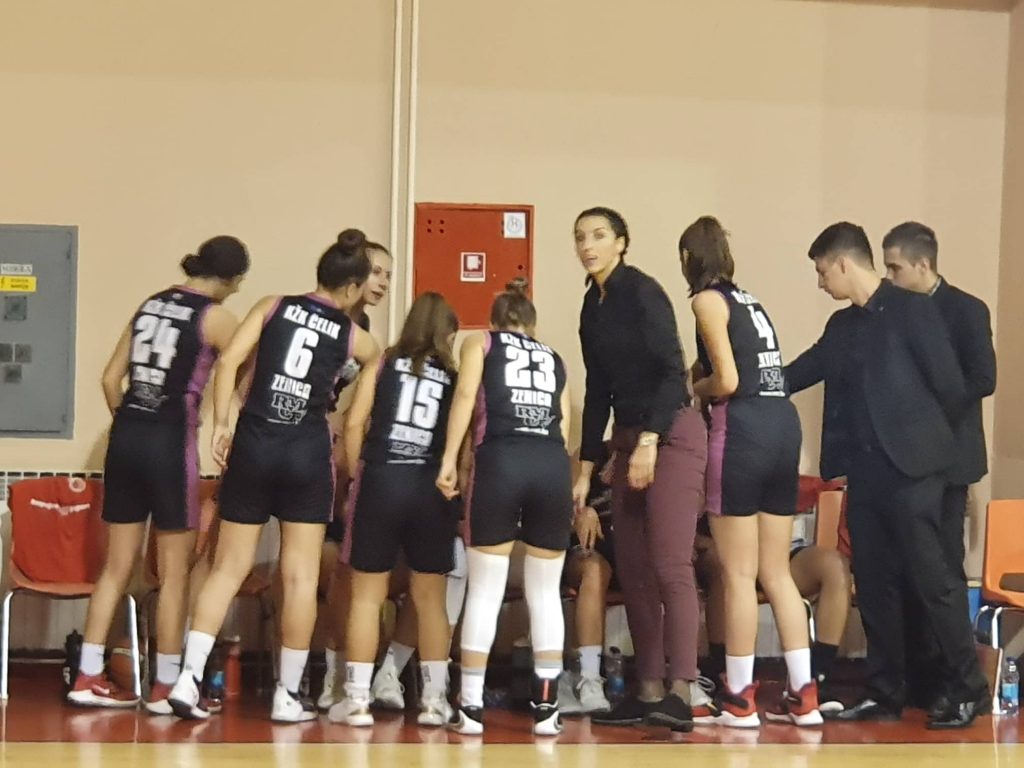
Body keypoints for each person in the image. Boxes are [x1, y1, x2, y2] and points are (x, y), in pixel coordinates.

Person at [168, 229, 380, 722]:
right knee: (301, 576)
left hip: (255, 442)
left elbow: (229, 362)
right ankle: (287, 694)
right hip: (307, 452)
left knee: (227, 568)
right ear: (352, 289)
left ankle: (187, 678)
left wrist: (222, 423)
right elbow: (374, 366)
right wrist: (347, 402)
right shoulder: (356, 337)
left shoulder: (272, 305)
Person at [786, 222, 988, 729]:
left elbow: (951, 387)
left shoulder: (913, 310)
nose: (820, 283)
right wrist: (757, 384)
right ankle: (884, 690)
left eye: (822, 272)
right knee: (876, 585)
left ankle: (969, 689)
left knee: (934, 583)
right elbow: (806, 368)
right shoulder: (842, 326)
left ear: (843, 263)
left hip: (914, 472)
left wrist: (924, 448)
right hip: (865, 474)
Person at [67, 236, 249, 713]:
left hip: (126, 437)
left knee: (116, 567)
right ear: (232, 279)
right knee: (173, 575)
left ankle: (87, 674)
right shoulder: (215, 316)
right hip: (169, 445)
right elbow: (244, 373)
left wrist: (132, 423)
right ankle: (166, 686)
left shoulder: (150, 304)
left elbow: (110, 379)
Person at [679, 216, 821, 728]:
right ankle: (804, 694)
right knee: (776, 572)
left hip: (742, 431)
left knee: (737, 573)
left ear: (689, 259)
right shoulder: (750, 300)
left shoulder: (706, 301)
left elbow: (728, 379)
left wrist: (691, 389)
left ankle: (739, 699)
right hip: (782, 424)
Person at [574, 207, 707, 732]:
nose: (588, 245)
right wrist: (586, 467)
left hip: (670, 432)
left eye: (599, 235)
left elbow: (673, 371)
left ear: (621, 243)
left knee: (671, 564)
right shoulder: (593, 305)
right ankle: (648, 687)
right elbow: (597, 391)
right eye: (580, 237)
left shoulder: (643, 292)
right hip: (627, 437)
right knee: (632, 568)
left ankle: (682, 689)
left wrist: (650, 440)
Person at [436, 278, 573, 736]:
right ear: (531, 325)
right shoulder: (555, 358)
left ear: (495, 322)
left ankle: (471, 706)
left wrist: (450, 459)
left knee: (485, 588)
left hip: (501, 461)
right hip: (551, 465)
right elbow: (564, 428)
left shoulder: (481, 343)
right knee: (546, 591)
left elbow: (464, 397)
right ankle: (547, 709)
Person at [327, 292, 461, 728]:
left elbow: (353, 423)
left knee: (367, 597)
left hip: (382, 479)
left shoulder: (384, 361)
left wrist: (355, 476)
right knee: (430, 600)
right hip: (430, 486)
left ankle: (357, 700)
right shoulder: (455, 376)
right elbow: (463, 442)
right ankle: (435, 702)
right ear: (446, 332)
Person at [881, 222, 996, 715]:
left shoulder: (966, 309)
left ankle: (958, 680)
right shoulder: (892, 313)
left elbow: (984, 378)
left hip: (950, 462)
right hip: (906, 463)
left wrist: (928, 407)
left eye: (895, 268)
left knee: (943, 571)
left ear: (923, 264)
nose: (889, 277)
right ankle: (919, 677)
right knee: (909, 568)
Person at [310, 240, 392, 711]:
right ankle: (305, 674)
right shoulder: (322, 314)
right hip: (305, 449)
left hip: (342, 455)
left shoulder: (363, 331)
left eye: (388, 275)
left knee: (346, 574)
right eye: (376, 272)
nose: (382, 283)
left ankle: (341, 674)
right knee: (306, 571)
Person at [559, 446, 615, 716]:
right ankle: (590, 678)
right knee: (594, 570)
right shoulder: (588, 455)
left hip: (632, 553)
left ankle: (685, 677)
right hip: (587, 550)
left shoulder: (652, 456)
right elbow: (561, 509)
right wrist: (583, 512)